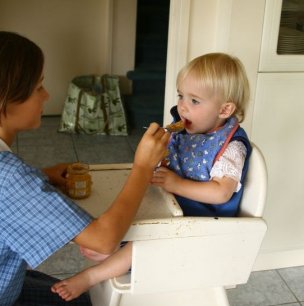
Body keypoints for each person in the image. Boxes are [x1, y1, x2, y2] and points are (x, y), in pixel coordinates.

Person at [0, 31, 169, 306]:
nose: (46, 95)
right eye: (38, 88)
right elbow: (103, 240)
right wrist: (142, 166)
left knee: (61, 288)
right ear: (0, 100)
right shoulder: (10, 180)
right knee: (87, 299)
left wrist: (41, 176)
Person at [51, 52, 252, 301]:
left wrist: (176, 183)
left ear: (225, 109)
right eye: (181, 96)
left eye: (194, 100)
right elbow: (175, 159)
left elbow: (221, 192)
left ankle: (93, 275)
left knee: (140, 245)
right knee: (130, 206)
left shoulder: (231, 146)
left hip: (200, 224)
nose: (182, 106)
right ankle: (113, 243)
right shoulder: (188, 128)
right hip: (173, 208)